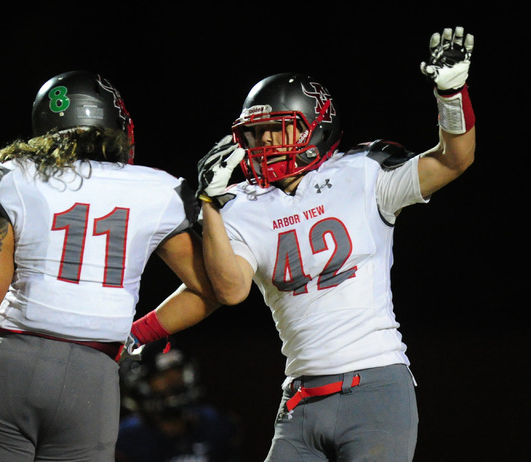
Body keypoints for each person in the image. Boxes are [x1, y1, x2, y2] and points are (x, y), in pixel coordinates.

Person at [194, 27, 475, 460]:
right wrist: (209, 207)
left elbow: (454, 158)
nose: (265, 142)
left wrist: (451, 94)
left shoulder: (363, 173)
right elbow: (231, 289)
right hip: (300, 401)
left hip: (376, 389)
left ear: (316, 128)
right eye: (258, 132)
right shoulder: (242, 205)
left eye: (277, 129)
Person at [0, 70, 219, 462]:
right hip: (93, 378)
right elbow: (210, 289)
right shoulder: (158, 190)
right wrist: (135, 335)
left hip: (10, 364)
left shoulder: (19, 177)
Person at [116, 342, 241, 462]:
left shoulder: (217, 425)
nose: (173, 382)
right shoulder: (125, 440)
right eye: (162, 376)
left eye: (177, 373)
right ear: (141, 385)